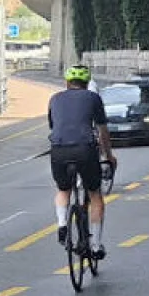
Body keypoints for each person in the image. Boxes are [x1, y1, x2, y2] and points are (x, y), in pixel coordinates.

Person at [47, 65, 116, 259]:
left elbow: (54, 126)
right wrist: (108, 156)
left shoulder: (54, 99)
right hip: (85, 150)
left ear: (67, 83)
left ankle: (62, 225)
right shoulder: (93, 98)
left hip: (59, 149)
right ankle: (95, 245)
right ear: (87, 84)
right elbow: (102, 132)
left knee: (63, 190)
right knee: (95, 195)